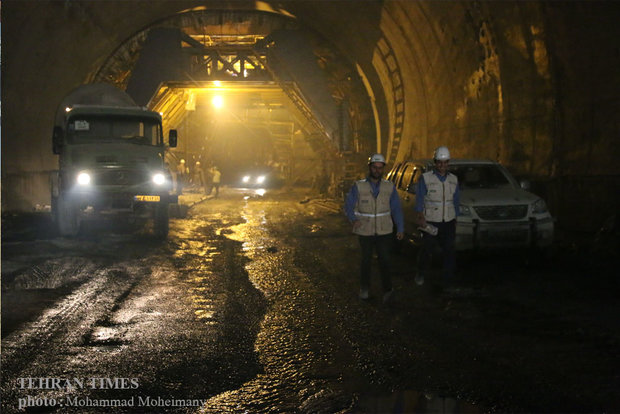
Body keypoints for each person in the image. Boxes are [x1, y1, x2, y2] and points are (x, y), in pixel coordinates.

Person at [344, 153, 404, 303]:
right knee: (366, 261)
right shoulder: (359, 186)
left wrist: (401, 228)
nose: (377, 170)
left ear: (383, 169)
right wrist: (353, 219)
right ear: (370, 168)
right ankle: (364, 289)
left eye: (380, 167)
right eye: (374, 167)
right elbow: (348, 205)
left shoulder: (389, 187)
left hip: (384, 231)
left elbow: (396, 208)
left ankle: (388, 290)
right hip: (365, 231)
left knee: (385, 260)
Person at [414, 146, 460, 289]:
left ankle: (447, 280)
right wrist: (421, 216)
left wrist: (456, 218)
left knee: (449, 251)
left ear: (448, 163)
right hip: (431, 220)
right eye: (439, 162)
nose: (442, 165)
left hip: (448, 221)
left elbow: (456, 200)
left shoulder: (453, 179)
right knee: (427, 250)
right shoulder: (426, 178)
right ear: (435, 162)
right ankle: (420, 273)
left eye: (445, 162)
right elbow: (420, 198)